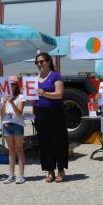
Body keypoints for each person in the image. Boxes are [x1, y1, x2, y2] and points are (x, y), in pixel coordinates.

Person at [33, 52, 68, 183]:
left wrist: (44, 93)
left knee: (58, 141)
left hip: (55, 113)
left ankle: (61, 170)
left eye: (42, 61)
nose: (39, 64)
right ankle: (50, 170)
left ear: (48, 62)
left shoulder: (55, 76)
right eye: (37, 62)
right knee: (44, 142)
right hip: (40, 113)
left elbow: (59, 94)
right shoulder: (36, 78)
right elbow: (33, 98)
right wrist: (28, 94)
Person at [0, 76, 26, 184]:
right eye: (8, 84)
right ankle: (11, 175)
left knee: (19, 149)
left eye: (12, 84)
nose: (10, 87)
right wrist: (4, 103)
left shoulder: (21, 97)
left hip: (17, 124)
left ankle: (21, 176)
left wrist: (11, 103)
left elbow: (19, 113)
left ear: (16, 85)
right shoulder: (3, 97)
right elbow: (2, 114)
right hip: (7, 124)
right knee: (11, 150)